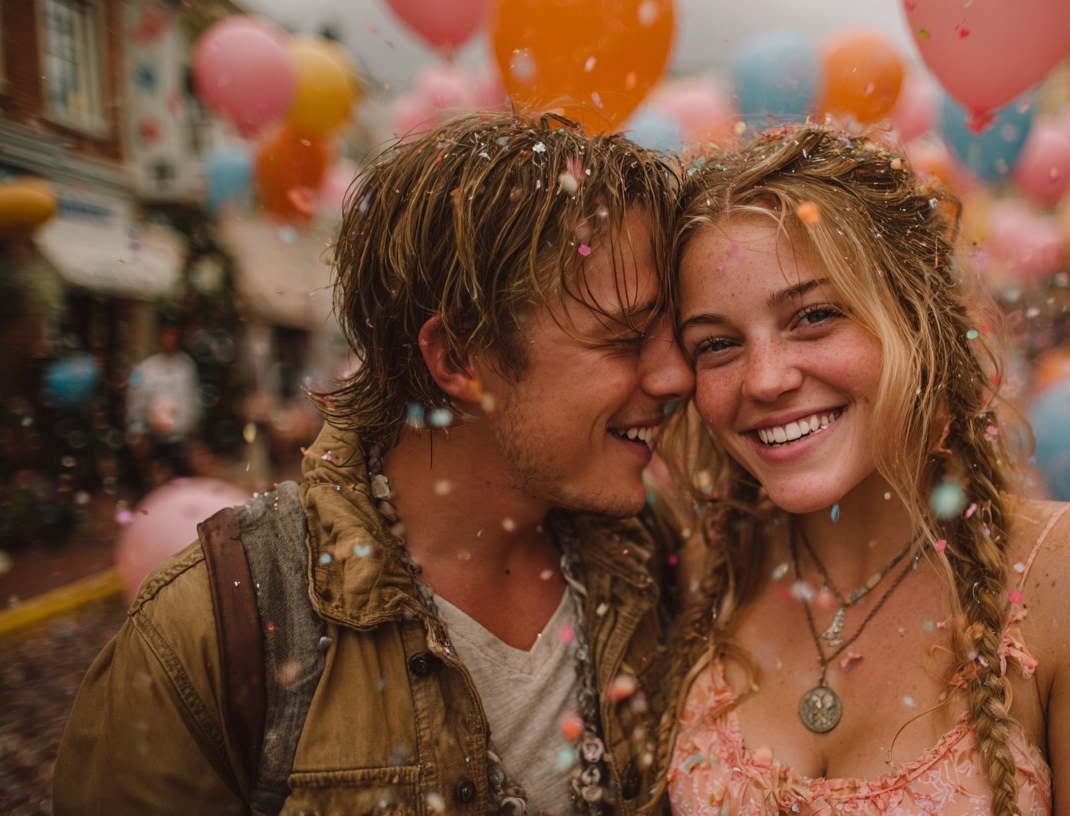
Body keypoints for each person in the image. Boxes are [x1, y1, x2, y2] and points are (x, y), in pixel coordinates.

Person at [55, 113, 693, 815]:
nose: (676, 378)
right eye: (627, 339)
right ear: (459, 358)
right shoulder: (217, 628)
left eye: (677, 334)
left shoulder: (652, 554)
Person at [653, 126, 1070, 815]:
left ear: (917, 319)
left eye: (813, 316)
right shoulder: (695, 573)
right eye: (717, 344)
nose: (766, 380)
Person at [125, 319, 201, 487]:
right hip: (155, 440)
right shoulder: (146, 369)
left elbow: (192, 402)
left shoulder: (186, 367)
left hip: (179, 441)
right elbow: (136, 404)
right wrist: (137, 433)